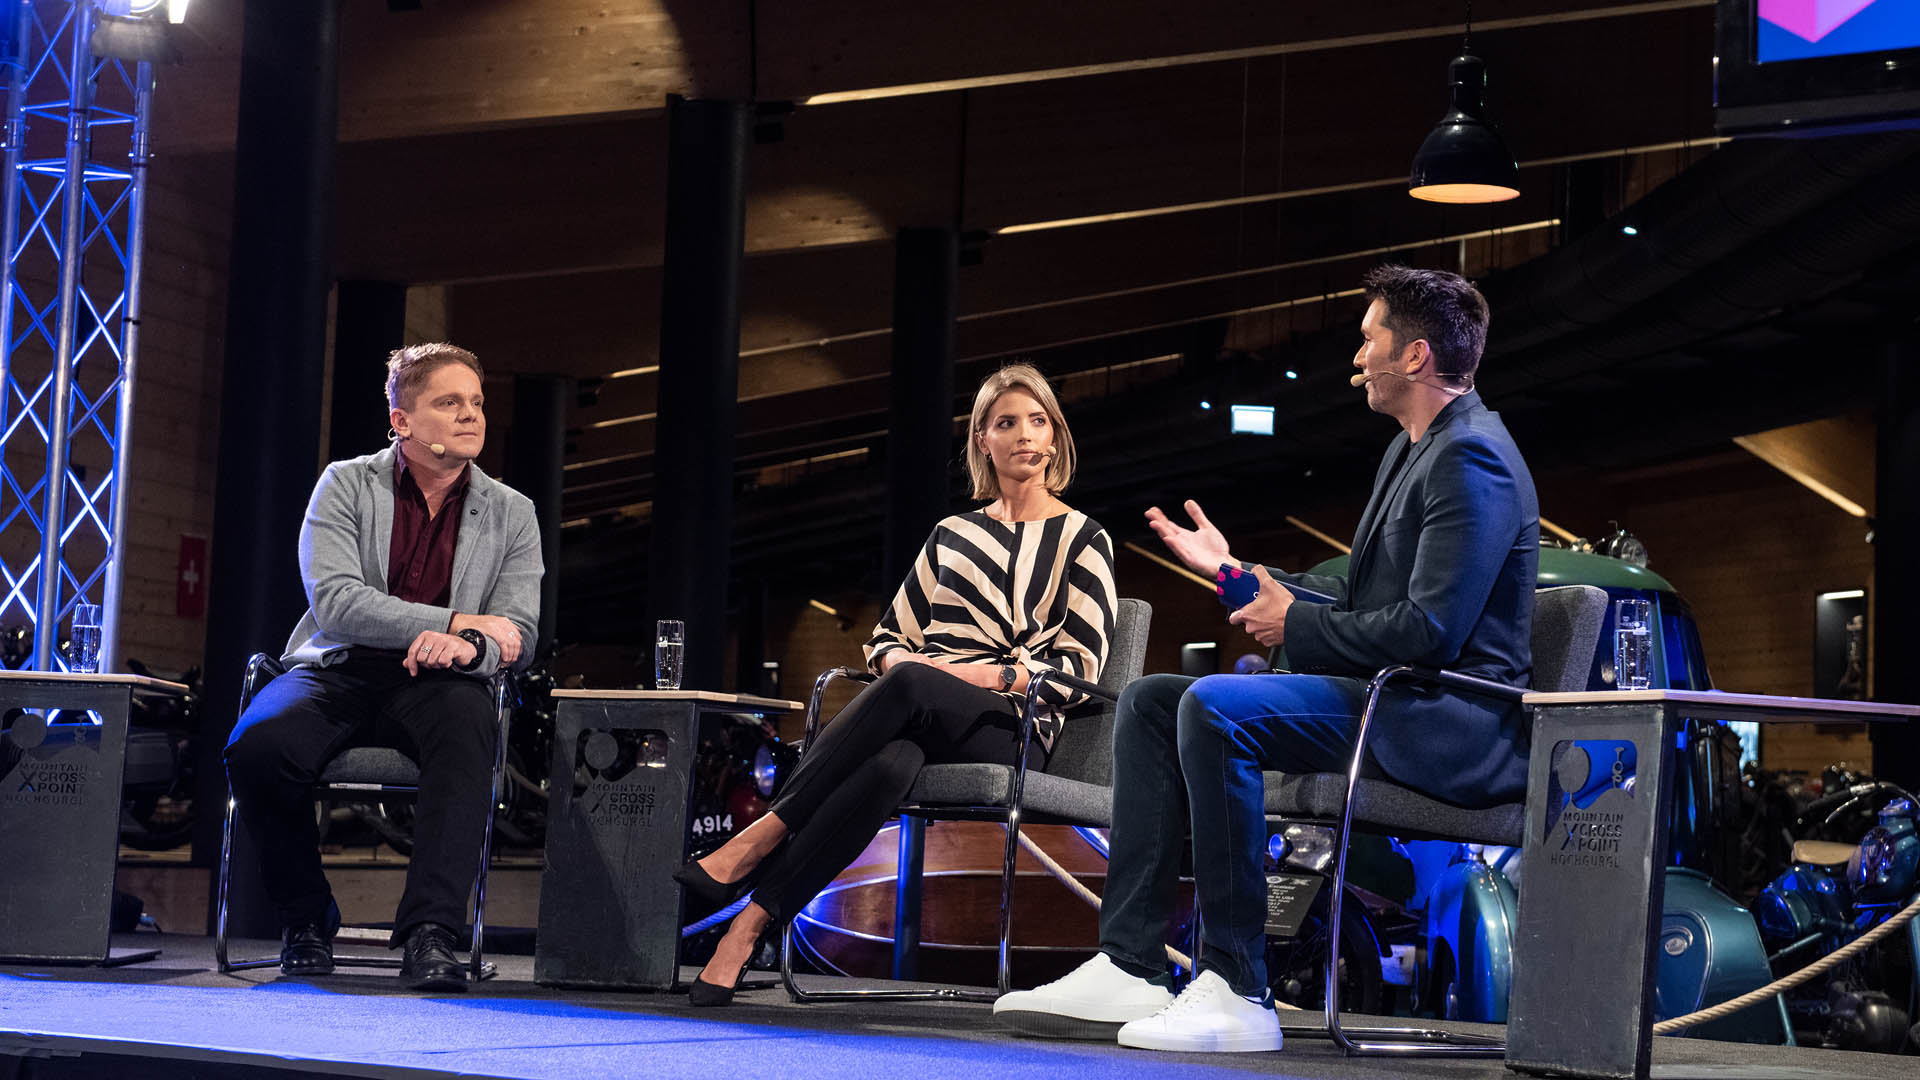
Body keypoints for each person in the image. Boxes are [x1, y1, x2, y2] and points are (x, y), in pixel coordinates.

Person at [995, 265, 1539, 1052]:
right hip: (1395, 696)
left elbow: (1429, 631)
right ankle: (1131, 962)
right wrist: (1231, 573)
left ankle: (1238, 985)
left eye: (1369, 339)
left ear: (1415, 356)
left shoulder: (1473, 457)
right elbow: (1354, 599)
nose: (1357, 357)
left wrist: (1295, 625)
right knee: (1151, 701)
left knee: (1215, 710)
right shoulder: (1411, 451)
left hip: (1445, 720)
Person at [676, 363, 1118, 1006]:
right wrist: (914, 672)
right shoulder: (952, 535)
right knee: (891, 764)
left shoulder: (1085, 539)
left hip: (1011, 725)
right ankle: (747, 929)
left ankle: (760, 837)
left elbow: (1079, 671)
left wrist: (969, 674)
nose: (1025, 434)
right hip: (920, 715)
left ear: (1055, 436)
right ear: (982, 440)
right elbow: (887, 640)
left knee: (912, 684)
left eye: (1038, 420)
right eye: (1006, 423)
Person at [225, 343, 542, 992]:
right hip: (337, 668)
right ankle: (305, 919)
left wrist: (469, 649)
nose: (470, 415)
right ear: (401, 421)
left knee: (469, 728)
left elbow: (519, 631)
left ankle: (431, 933)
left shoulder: (513, 511)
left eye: (477, 402)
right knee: (257, 747)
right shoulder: (346, 483)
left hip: (441, 681)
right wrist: (457, 622)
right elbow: (338, 604)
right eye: (449, 402)